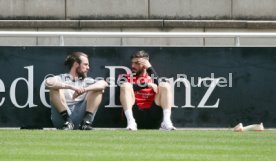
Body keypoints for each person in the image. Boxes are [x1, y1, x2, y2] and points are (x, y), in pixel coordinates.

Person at [45, 52, 108, 130]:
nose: (88, 68)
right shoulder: (61, 78)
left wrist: (84, 90)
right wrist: (72, 87)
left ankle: (86, 122)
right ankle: (68, 121)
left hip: (81, 117)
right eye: (85, 64)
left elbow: (104, 83)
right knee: (54, 88)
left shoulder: (88, 81)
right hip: (62, 120)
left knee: (98, 89)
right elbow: (48, 82)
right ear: (76, 64)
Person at [119, 50, 176, 131]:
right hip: (135, 114)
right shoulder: (125, 77)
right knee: (125, 85)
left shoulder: (153, 77)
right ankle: (131, 121)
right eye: (132, 63)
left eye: (137, 63)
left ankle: (166, 122)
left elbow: (159, 84)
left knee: (165, 85)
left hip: (153, 115)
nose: (133, 66)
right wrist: (146, 84)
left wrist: (150, 68)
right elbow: (121, 86)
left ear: (146, 64)